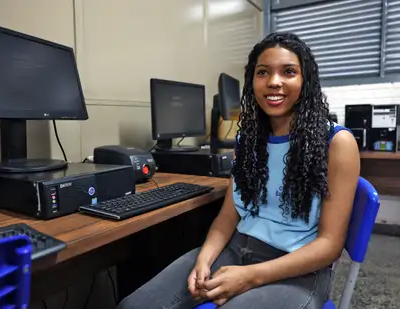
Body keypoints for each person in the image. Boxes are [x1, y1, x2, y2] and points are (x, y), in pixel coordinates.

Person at [117, 32, 360, 309]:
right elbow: (228, 215)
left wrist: (250, 276)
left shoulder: (337, 143)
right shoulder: (248, 139)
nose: (274, 82)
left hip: (299, 270)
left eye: (289, 72)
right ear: (252, 80)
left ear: (306, 81)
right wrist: (204, 259)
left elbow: (329, 245)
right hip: (236, 250)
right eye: (263, 72)